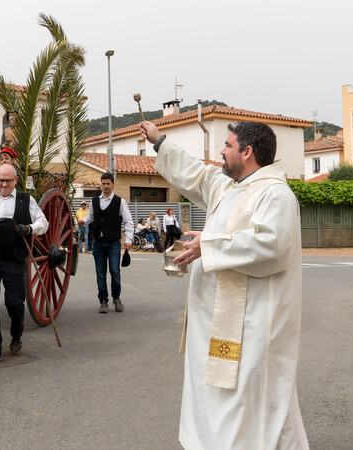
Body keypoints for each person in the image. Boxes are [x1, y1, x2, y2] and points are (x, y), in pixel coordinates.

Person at [140, 120, 308, 449]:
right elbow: (194, 172)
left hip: (250, 326)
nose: (221, 151)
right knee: (216, 398)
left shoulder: (275, 194)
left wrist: (210, 246)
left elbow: (272, 246)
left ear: (247, 152)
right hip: (216, 322)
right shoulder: (227, 185)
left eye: (228, 145)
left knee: (248, 402)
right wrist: (160, 142)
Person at [0, 164, 48, 367]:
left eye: (8, 181)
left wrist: (29, 228)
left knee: (14, 303)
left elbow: (43, 222)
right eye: (0, 181)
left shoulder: (25, 199)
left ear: (15, 181)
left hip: (14, 258)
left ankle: (16, 335)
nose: (4, 185)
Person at [78, 172, 134, 313]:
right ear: (101, 184)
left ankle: (116, 297)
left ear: (113, 184)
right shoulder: (95, 201)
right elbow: (90, 217)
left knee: (115, 271)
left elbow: (128, 222)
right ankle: (103, 301)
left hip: (114, 242)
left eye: (108, 183)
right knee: (100, 273)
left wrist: (128, 239)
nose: (106, 186)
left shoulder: (120, 202)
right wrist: (83, 222)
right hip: (98, 242)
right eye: (103, 183)